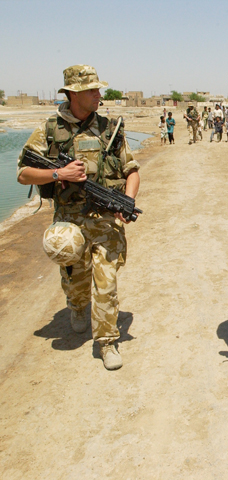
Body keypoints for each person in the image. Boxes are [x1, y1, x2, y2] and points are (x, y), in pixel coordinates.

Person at [16, 64, 141, 370]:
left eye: (98, 89)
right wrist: (58, 173)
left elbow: (132, 170)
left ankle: (108, 341)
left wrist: (127, 202)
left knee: (107, 279)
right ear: (73, 94)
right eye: (92, 90)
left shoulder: (110, 128)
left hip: (105, 218)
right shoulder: (49, 129)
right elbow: (22, 173)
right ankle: (77, 304)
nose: (99, 94)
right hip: (69, 219)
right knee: (75, 279)